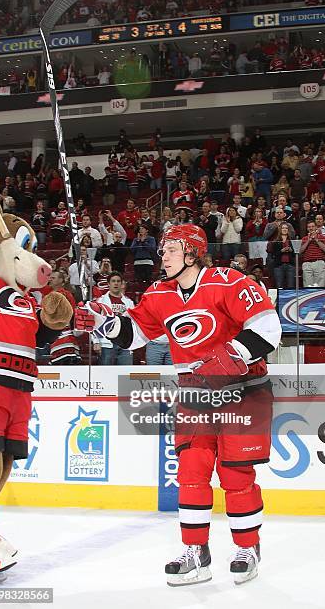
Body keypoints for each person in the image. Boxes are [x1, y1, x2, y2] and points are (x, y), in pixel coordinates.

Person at [75, 224, 281, 587]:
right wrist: (102, 322)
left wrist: (231, 355)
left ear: (192, 252)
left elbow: (267, 328)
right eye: (163, 250)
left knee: (236, 475)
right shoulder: (159, 294)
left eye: (170, 249)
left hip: (243, 390)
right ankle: (195, 551)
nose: (163, 256)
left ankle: (248, 548)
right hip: (194, 394)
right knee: (191, 473)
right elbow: (134, 334)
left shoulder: (229, 282)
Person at [92, 272, 134, 365]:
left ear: (121, 284)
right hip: (106, 343)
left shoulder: (129, 302)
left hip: (124, 343)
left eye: (118, 281)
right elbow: (94, 322)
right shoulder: (100, 301)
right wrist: (96, 341)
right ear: (108, 284)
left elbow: (133, 323)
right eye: (113, 281)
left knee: (125, 375)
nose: (116, 283)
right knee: (106, 374)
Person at [300, 220, 325, 287]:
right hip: (307, 264)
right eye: (309, 227)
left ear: (316, 227)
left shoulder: (322, 237)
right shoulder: (304, 238)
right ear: (307, 229)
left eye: (312, 226)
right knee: (307, 286)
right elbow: (300, 251)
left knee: (320, 286)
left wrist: (316, 239)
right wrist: (308, 241)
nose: (311, 228)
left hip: (319, 262)